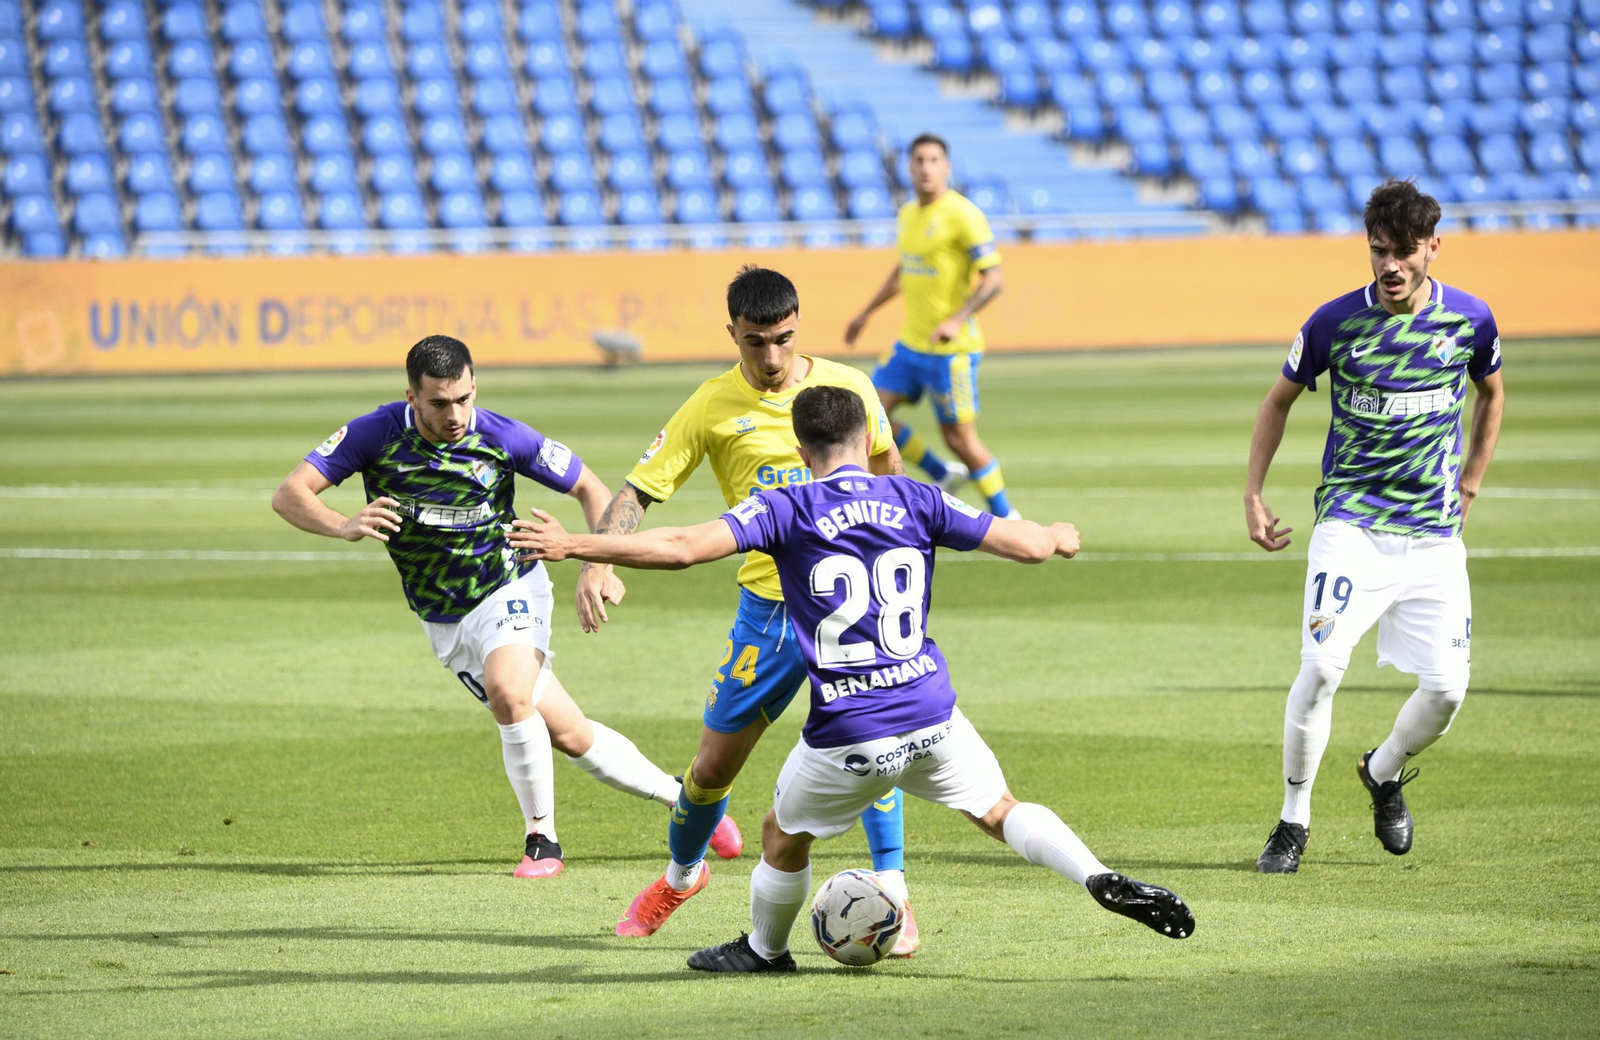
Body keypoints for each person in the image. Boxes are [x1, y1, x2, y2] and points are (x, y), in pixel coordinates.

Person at [510, 385, 1195, 972]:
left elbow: (683, 546)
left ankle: (764, 949)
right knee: (1000, 809)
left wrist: (576, 544)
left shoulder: (786, 507)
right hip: (933, 711)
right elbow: (1028, 544)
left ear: (801, 453)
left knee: (781, 831)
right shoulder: (915, 496)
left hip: (851, 730)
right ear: (870, 436)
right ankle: (1096, 873)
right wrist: (1057, 534)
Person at [271, 334, 738, 878]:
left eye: (464, 399)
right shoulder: (374, 433)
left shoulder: (501, 435)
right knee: (569, 733)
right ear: (412, 397)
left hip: (510, 584)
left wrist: (598, 564)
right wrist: (344, 524)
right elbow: (291, 493)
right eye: (440, 403)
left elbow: (589, 486)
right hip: (443, 615)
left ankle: (543, 841)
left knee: (508, 692)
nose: (455, 414)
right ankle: (684, 801)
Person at [568, 266, 923, 951]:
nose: (770, 357)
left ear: (799, 326)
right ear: (731, 332)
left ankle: (895, 897)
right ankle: (682, 874)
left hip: (850, 607)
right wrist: (598, 558)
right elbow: (640, 491)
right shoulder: (710, 406)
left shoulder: (850, 388)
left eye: (783, 340)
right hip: (768, 612)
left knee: (872, 743)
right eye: (755, 342)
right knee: (710, 769)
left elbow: (890, 474)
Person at [1245, 180, 1505, 874]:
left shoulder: (1470, 321)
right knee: (1323, 666)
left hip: (1432, 536)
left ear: (1433, 248)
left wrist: (1471, 480)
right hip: (1351, 525)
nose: (1389, 266)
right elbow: (1277, 403)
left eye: (1403, 252)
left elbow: (1492, 391)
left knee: (1447, 690)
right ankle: (1293, 820)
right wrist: (1254, 492)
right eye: (1377, 250)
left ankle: (1382, 770)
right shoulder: (1335, 323)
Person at [843, 132, 1017, 519]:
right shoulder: (908, 214)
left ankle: (1007, 517)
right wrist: (866, 313)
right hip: (910, 345)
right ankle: (941, 474)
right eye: (919, 160)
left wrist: (957, 320)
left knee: (961, 439)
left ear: (947, 167)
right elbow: (903, 270)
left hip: (950, 351)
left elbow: (995, 279)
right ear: (909, 166)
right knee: (870, 416)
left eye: (934, 160)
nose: (926, 167)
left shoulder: (963, 214)